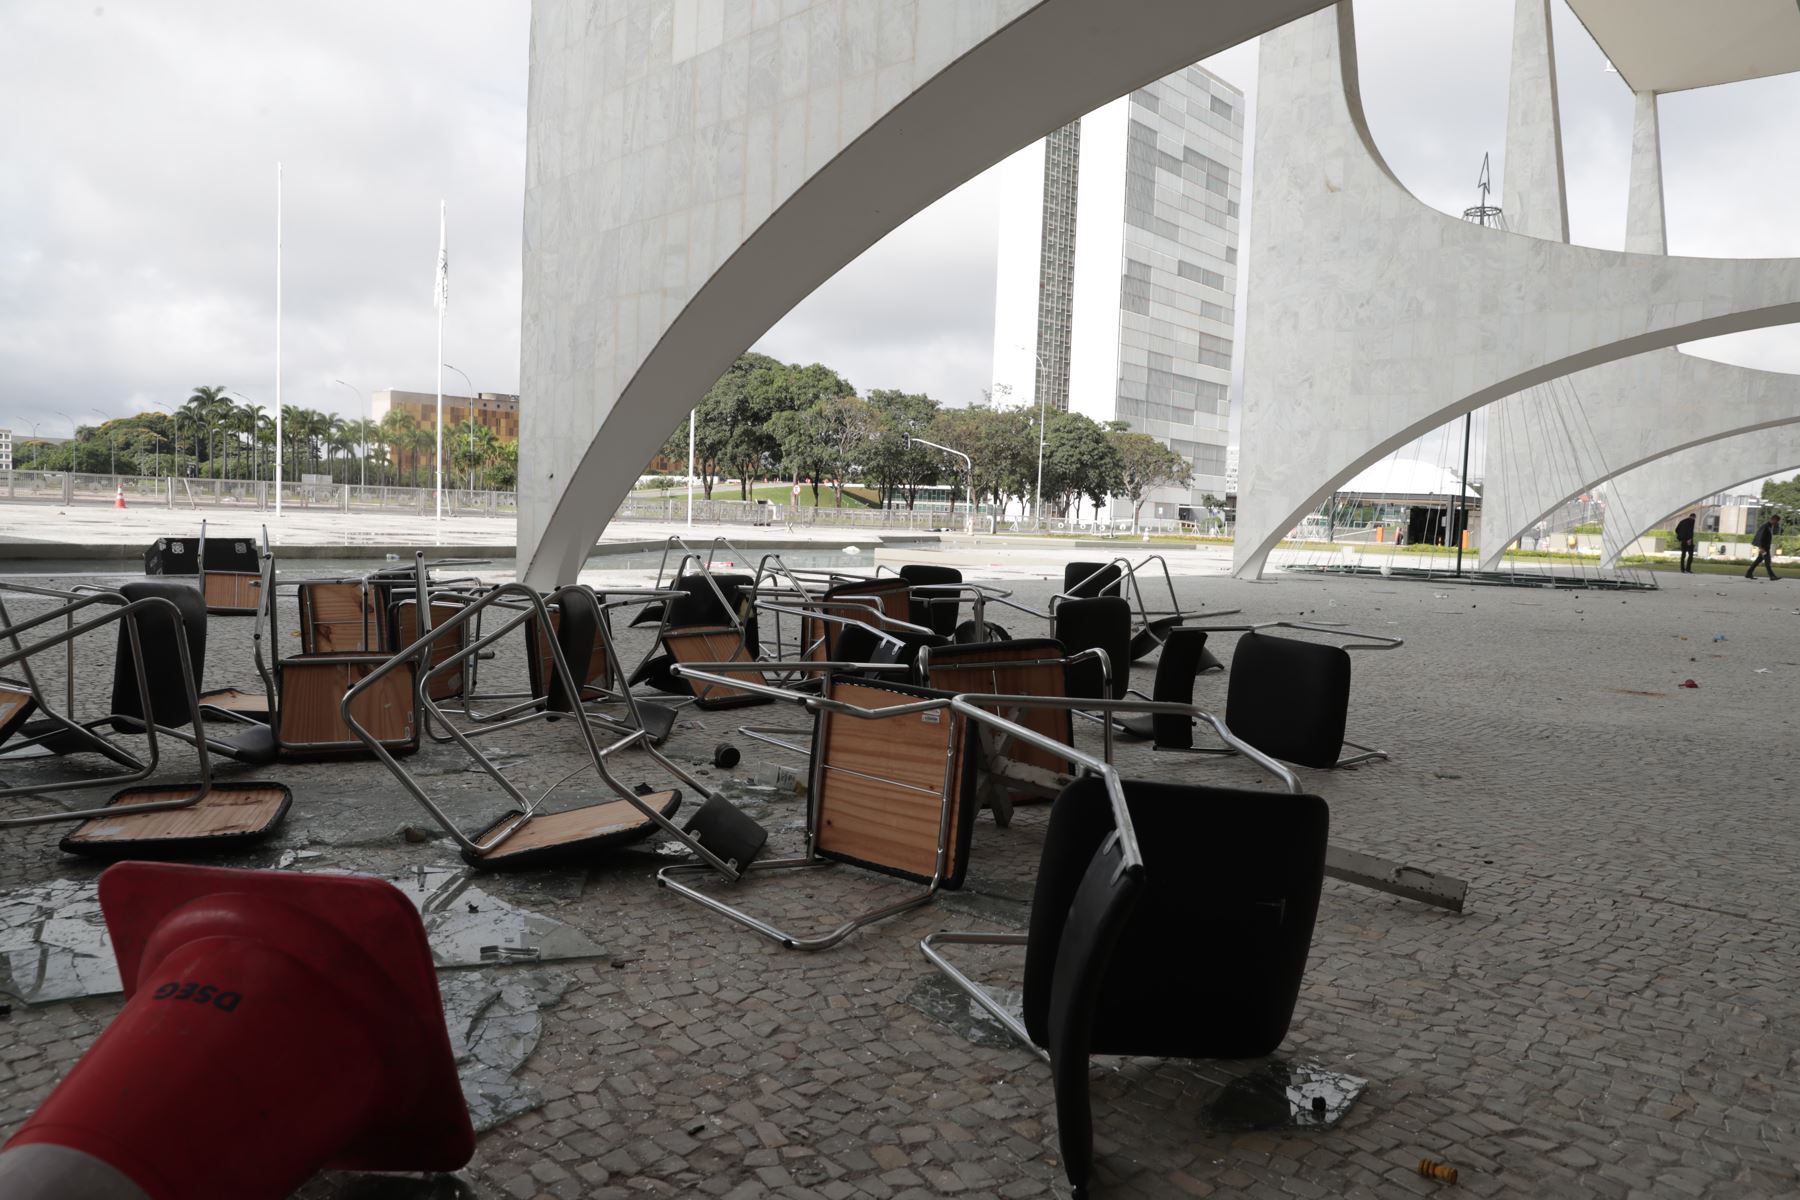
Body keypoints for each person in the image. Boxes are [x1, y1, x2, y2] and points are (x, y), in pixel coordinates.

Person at [1745, 513, 1781, 580]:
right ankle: (1772, 576)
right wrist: (1761, 548)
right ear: (1774, 519)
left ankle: (1748, 573)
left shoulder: (1769, 526)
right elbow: (1760, 536)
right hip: (1764, 548)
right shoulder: (1766, 526)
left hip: (1765, 547)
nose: (1777, 523)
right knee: (1768, 561)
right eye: (1777, 521)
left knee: (1758, 560)